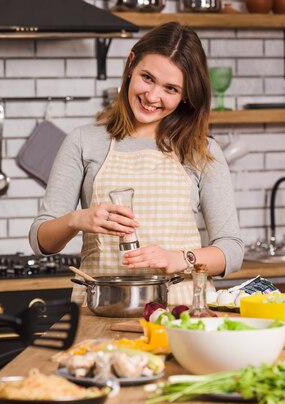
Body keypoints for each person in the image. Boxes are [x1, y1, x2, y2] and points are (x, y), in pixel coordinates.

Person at [29, 22, 244, 305]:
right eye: (147, 78)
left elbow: (231, 249)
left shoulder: (202, 150)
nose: (153, 97)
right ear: (131, 64)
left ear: (186, 95)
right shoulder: (84, 141)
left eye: (170, 88)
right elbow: (41, 240)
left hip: (181, 312)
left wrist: (179, 258)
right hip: (102, 309)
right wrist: (78, 220)